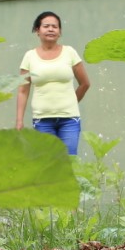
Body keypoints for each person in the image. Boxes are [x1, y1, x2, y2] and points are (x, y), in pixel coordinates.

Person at [16, 11, 90, 155]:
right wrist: (19, 121)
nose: (51, 29)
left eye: (55, 27)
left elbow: (85, 83)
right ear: (38, 31)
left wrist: (72, 102)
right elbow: (23, 91)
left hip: (69, 120)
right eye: (46, 26)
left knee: (70, 162)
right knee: (49, 163)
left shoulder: (70, 52)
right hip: (42, 120)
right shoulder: (29, 56)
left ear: (60, 32)